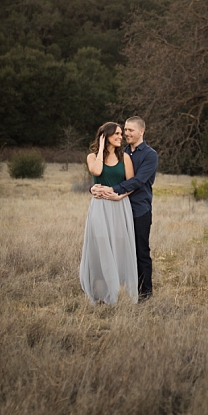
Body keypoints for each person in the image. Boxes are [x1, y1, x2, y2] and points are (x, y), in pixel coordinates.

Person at [92, 116, 158, 300]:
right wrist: (96, 188)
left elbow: (137, 181)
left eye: (130, 130)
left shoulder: (150, 155)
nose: (126, 133)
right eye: (125, 130)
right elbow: (106, 174)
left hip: (139, 210)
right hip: (118, 210)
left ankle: (145, 294)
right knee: (119, 250)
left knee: (140, 251)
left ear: (141, 132)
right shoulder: (121, 152)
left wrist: (114, 190)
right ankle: (122, 290)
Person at [79, 122, 139, 305]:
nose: (121, 136)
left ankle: (118, 293)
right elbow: (96, 171)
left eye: (122, 133)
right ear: (105, 136)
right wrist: (102, 148)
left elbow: (132, 184)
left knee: (119, 246)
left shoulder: (125, 158)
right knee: (101, 247)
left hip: (119, 207)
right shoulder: (92, 157)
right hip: (99, 207)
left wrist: (118, 195)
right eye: (117, 133)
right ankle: (100, 294)